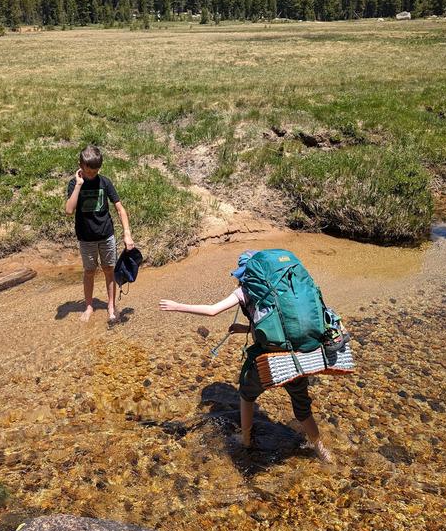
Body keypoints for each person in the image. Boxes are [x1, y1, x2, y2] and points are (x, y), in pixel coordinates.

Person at [159, 250, 332, 463]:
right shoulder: (282, 288)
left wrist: (177, 307)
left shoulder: (244, 290)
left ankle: (246, 441)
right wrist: (244, 329)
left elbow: (213, 311)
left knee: (247, 394)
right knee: (302, 406)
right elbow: (277, 323)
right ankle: (322, 451)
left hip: (271, 355)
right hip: (298, 350)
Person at [66, 144, 134, 324]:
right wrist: (79, 185)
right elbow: (69, 209)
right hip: (86, 238)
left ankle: (111, 305)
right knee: (89, 271)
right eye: (88, 171)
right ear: (81, 165)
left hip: (106, 236)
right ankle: (89, 305)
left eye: (95, 172)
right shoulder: (74, 184)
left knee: (109, 270)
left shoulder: (105, 182)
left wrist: (127, 234)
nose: (91, 175)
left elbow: (120, 209)